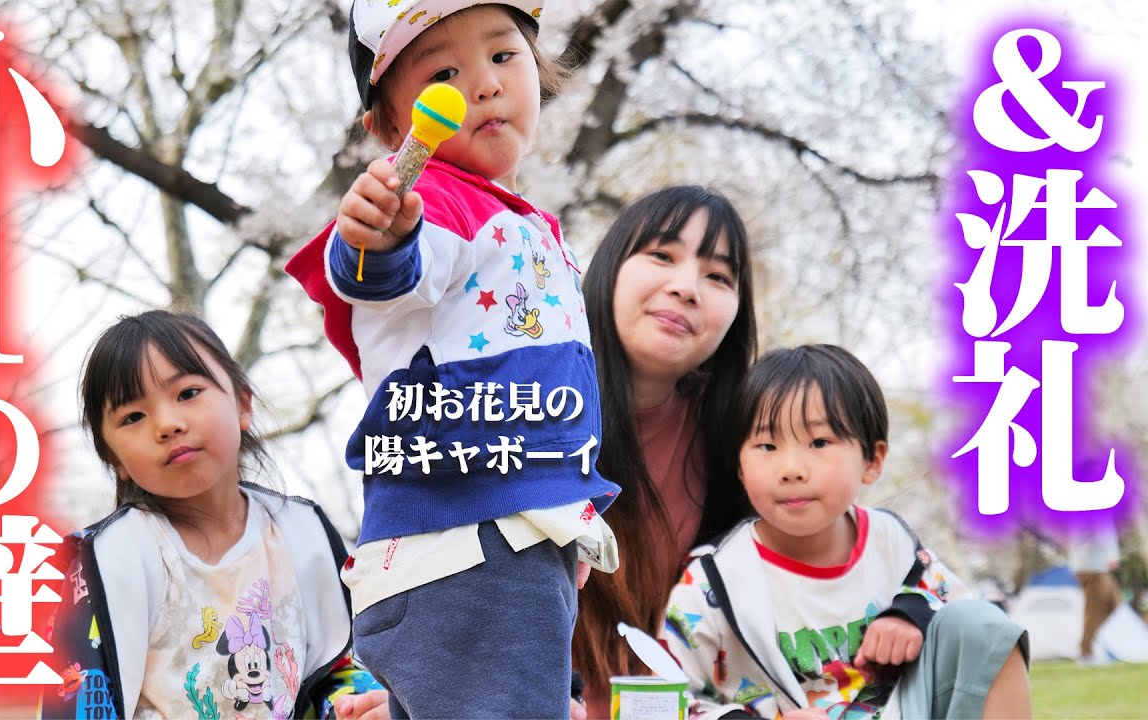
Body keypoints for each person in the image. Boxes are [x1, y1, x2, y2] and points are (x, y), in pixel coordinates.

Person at [285, 2, 620, 717]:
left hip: (497, 538)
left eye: (503, 55)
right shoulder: (431, 198)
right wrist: (379, 229)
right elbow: (382, 265)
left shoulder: (525, 223)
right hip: (469, 546)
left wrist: (567, 511)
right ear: (389, 126)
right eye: (443, 73)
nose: (483, 84)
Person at [660, 345, 1032, 719]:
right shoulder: (715, 581)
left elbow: (953, 604)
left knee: (986, 627)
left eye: (819, 442)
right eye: (766, 445)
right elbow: (666, 697)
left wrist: (908, 617)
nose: (791, 468)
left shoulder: (890, 541)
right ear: (740, 469)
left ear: (872, 461)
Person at [40, 310, 380, 719]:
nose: (166, 424)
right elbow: (78, 698)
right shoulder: (105, 563)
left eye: (187, 393)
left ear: (242, 404)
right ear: (115, 460)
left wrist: (355, 705)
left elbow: (331, 668)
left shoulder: (302, 534)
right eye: (133, 417)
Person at [573, 185, 757, 717]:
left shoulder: (747, 445)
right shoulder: (522, 410)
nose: (686, 288)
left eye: (718, 276)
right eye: (662, 255)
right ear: (610, 265)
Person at [1068, 525, 1122, 664]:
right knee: (1094, 611)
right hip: (1093, 567)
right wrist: (1112, 556)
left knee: (1115, 606)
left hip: (1098, 566)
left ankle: (1108, 649)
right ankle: (1086, 654)